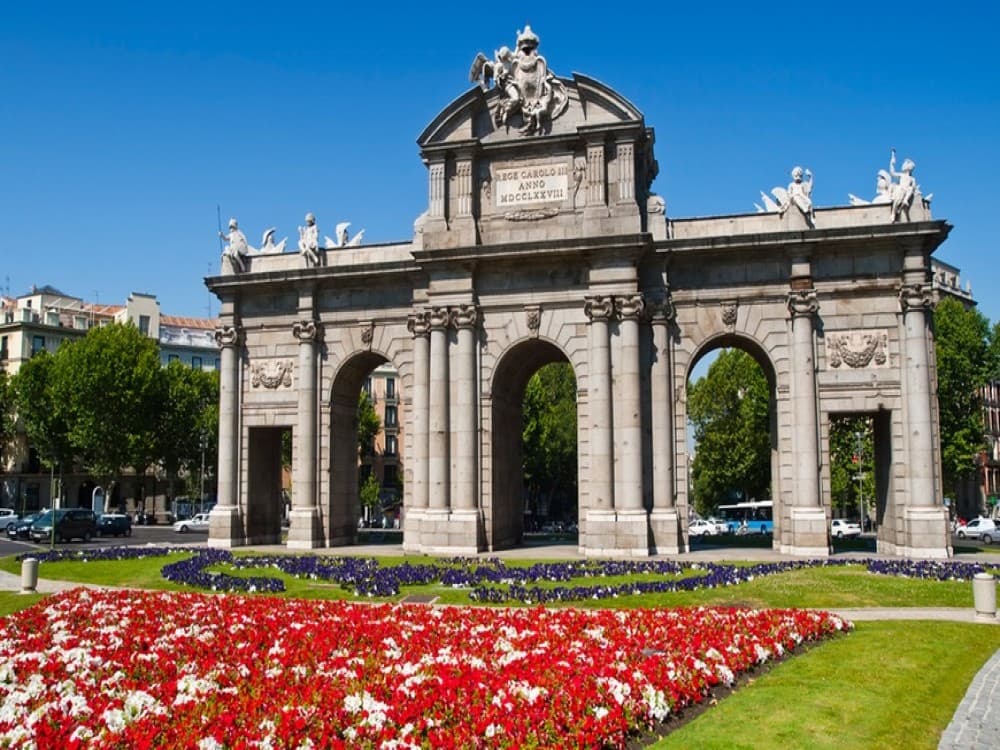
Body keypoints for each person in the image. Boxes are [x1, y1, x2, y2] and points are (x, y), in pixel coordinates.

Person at [888, 149, 916, 222]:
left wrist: (913, 189)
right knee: (897, 199)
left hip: (907, 191)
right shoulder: (901, 175)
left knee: (910, 189)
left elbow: (914, 187)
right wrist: (892, 163)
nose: (902, 166)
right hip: (901, 189)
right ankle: (893, 213)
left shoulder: (912, 178)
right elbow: (892, 173)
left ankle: (905, 200)